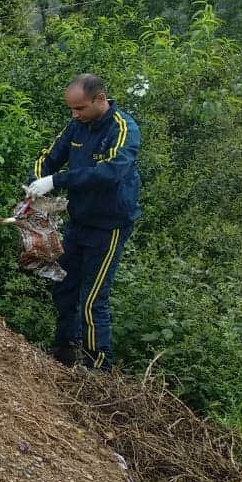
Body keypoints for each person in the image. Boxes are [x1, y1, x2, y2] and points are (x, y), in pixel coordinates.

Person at [27, 73, 141, 370]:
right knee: (63, 285)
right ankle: (65, 349)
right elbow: (49, 157)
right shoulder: (76, 125)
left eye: (79, 109)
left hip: (109, 226)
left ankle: (98, 369)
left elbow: (110, 172)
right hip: (79, 221)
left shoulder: (123, 128)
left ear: (99, 99)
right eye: (71, 110)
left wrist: (56, 180)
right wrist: (36, 183)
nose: (74, 115)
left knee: (93, 299)